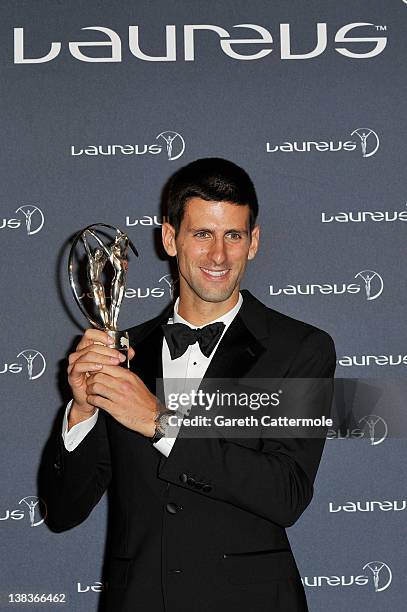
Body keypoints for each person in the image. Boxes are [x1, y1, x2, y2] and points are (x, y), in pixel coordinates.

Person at [40, 158, 336, 612]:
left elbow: (287, 493)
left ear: (253, 242)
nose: (218, 256)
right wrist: (81, 413)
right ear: (169, 238)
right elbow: (62, 512)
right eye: (202, 234)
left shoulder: (301, 348)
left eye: (233, 236)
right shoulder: (124, 355)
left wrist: (160, 423)